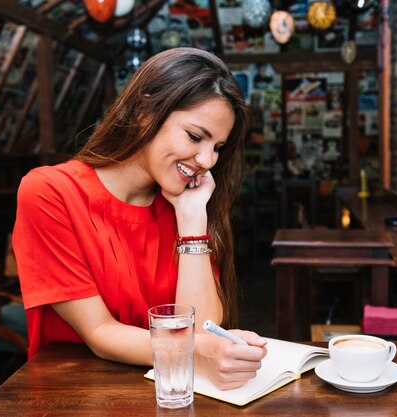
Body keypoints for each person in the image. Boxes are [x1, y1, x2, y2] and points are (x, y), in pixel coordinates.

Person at [13, 47, 267, 390]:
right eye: (195, 136)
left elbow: (201, 325)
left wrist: (192, 220)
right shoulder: (50, 192)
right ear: (146, 111)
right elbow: (100, 332)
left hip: (171, 396)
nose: (207, 159)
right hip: (78, 398)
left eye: (218, 147)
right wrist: (197, 349)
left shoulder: (182, 204)